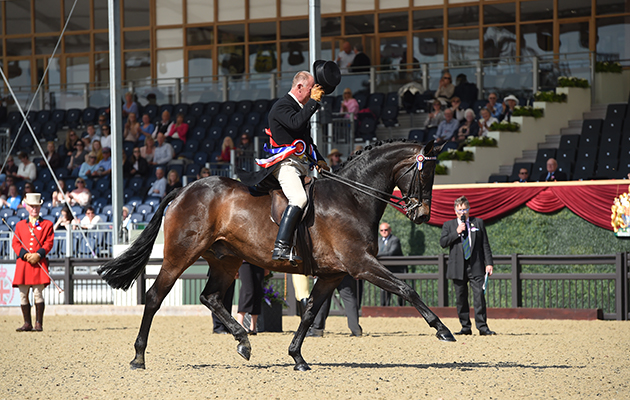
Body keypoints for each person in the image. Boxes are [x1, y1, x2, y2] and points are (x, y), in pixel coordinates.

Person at [266, 70, 327, 260]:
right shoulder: (282, 106)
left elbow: (306, 141)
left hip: (301, 165)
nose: (314, 93)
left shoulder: (298, 107)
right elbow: (295, 124)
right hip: (285, 166)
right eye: (311, 89)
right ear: (299, 87)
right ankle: (281, 247)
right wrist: (313, 103)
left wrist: (320, 159)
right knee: (300, 198)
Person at [440, 196, 495, 336]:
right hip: (457, 267)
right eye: (459, 210)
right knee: (461, 298)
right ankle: (465, 327)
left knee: (479, 297)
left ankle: (482, 327)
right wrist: (456, 232)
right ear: (455, 211)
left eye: (465, 209)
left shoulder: (478, 223)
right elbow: (443, 242)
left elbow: (485, 245)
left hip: (475, 265)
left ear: (469, 210)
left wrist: (489, 263)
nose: (462, 212)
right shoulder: (449, 225)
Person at [12, 192, 54, 332]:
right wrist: (24, 255)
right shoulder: (20, 225)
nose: (34, 209)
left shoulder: (47, 224)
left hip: (38, 262)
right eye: (32, 206)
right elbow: (15, 243)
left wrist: (38, 254)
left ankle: (38, 323)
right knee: (23, 294)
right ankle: (27, 323)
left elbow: (48, 243)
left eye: (37, 206)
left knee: (37, 293)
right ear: (27, 207)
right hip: (24, 264)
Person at [377, 222, 405, 307]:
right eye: (381, 230)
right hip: (385, 269)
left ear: (390, 230)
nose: (384, 232)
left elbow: (391, 253)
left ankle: (401, 308)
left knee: (399, 290)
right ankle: (384, 308)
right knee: (384, 290)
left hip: (396, 270)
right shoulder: (378, 240)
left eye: (386, 230)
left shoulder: (395, 240)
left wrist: (376, 254)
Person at [236, 262, 266, 335]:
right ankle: (240, 323)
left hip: (259, 261)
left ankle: (253, 326)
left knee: (258, 291)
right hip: (244, 260)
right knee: (247, 290)